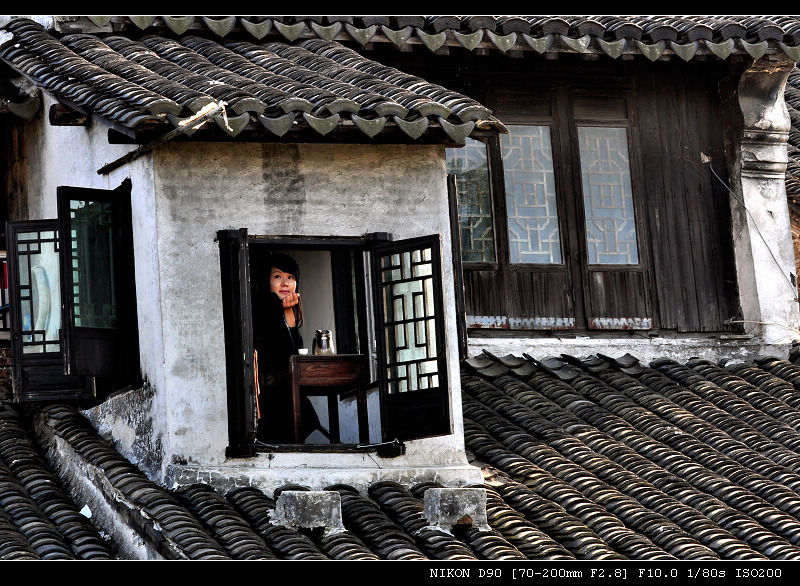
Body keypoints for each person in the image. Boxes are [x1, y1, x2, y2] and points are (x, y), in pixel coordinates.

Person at [253, 252, 322, 443]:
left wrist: (288, 311)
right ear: (266, 281)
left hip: (284, 386)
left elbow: (294, 349)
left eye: (290, 278)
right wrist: (283, 309)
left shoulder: (282, 307)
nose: (285, 283)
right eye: (278, 277)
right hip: (268, 390)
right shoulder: (264, 304)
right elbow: (282, 350)